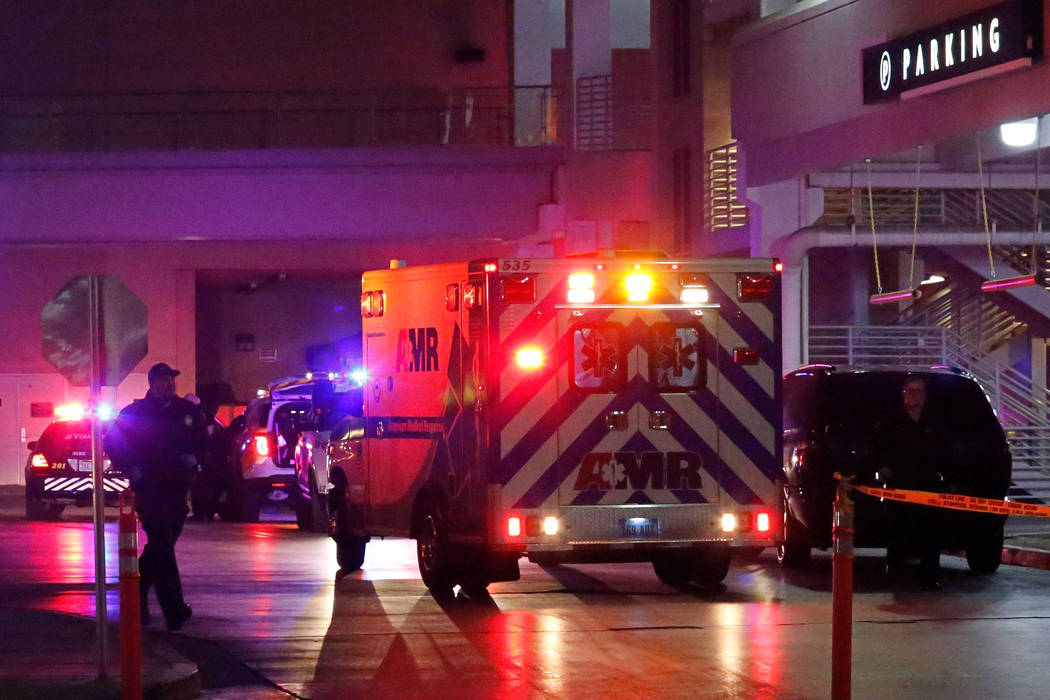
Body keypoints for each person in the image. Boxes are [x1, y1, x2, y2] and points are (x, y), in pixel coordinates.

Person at [104, 362, 207, 630]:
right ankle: (174, 609)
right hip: (149, 487)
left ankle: (137, 592)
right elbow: (112, 442)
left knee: (163, 544)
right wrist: (132, 467)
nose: (168, 385)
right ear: (151, 384)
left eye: (171, 380)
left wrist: (196, 461)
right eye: (163, 380)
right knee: (161, 541)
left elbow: (204, 442)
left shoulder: (188, 412)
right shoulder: (135, 413)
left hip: (177, 487)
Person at [878, 375, 950, 590]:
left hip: (927, 485)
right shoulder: (891, 422)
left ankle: (930, 577)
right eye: (910, 391)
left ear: (925, 396)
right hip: (900, 486)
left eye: (919, 391)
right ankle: (895, 575)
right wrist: (883, 469)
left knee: (930, 533)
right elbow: (878, 448)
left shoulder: (934, 423)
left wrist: (945, 476)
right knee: (897, 531)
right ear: (903, 395)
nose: (914, 395)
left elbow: (945, 452)